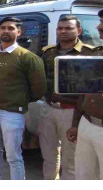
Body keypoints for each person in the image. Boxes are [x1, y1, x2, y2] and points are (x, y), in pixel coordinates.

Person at [0, 17, 46, 180]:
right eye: (3, 28)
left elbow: (38, 89)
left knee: (13, 155)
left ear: (19, 32)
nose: (6, 31)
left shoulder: (27, 57)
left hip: (12, 112)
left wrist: (17, 99)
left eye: (11, 28)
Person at [66, 4, 103, 180]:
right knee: (83, 176)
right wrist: (76, 123)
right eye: (100, 22)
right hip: (87, 124)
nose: (99, 27)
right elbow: (83, 93)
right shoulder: (97, 54)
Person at [40, 15, 93, 180]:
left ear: (79, 30)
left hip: (72, 112)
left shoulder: (88, 54)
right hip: (48, 109)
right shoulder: (48, 53)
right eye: (60, 28)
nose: (63, 31)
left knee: (71, 160)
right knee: (48, 156)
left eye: (68, 28)